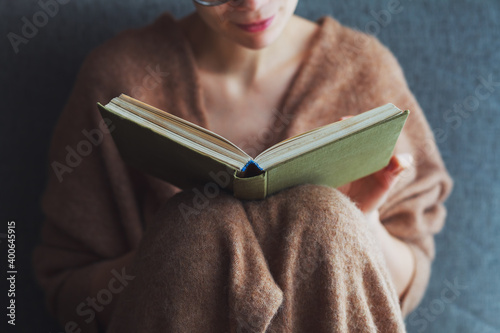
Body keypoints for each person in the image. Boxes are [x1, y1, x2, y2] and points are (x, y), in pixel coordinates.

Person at [33, 0, 453, 332]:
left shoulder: (366, 71)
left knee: (323, 216)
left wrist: (365, 222)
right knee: (197, 226)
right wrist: (176, 252)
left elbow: (403, 288)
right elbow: (69, 288)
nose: (252, 4)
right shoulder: (118, 78)